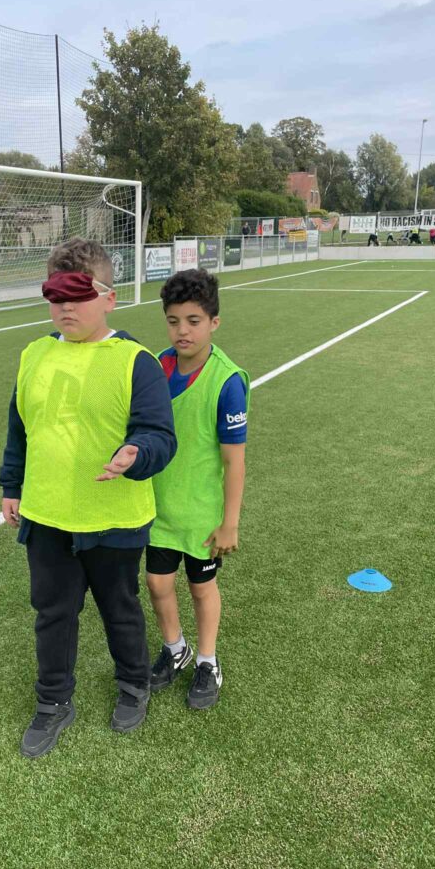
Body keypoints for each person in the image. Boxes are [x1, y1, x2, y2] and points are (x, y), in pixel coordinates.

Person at [0, 238, 177, 758]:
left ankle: (134, 684)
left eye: (78, 295)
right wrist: (12, 485)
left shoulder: (136, 361)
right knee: (52, 613)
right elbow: (19, 428)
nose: (65, 307)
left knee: (119, 608)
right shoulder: (34, 354)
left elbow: (161, 435)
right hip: (48, 515)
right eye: (55, 296)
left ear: (109, 299)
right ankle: (53, 702)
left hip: (114, 517)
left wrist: (137, 453)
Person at [145, 268, 249, 710]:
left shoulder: (227, 382)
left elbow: (233, 460)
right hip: (159, 509)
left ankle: (207, 660)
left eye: (193, 321)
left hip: (202, 513)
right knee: (156, 583)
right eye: (173, 321)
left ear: (214, 322)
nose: (182, 331)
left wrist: (229, 522)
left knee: (201, 588)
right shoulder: (154, 367)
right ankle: (176, 649)